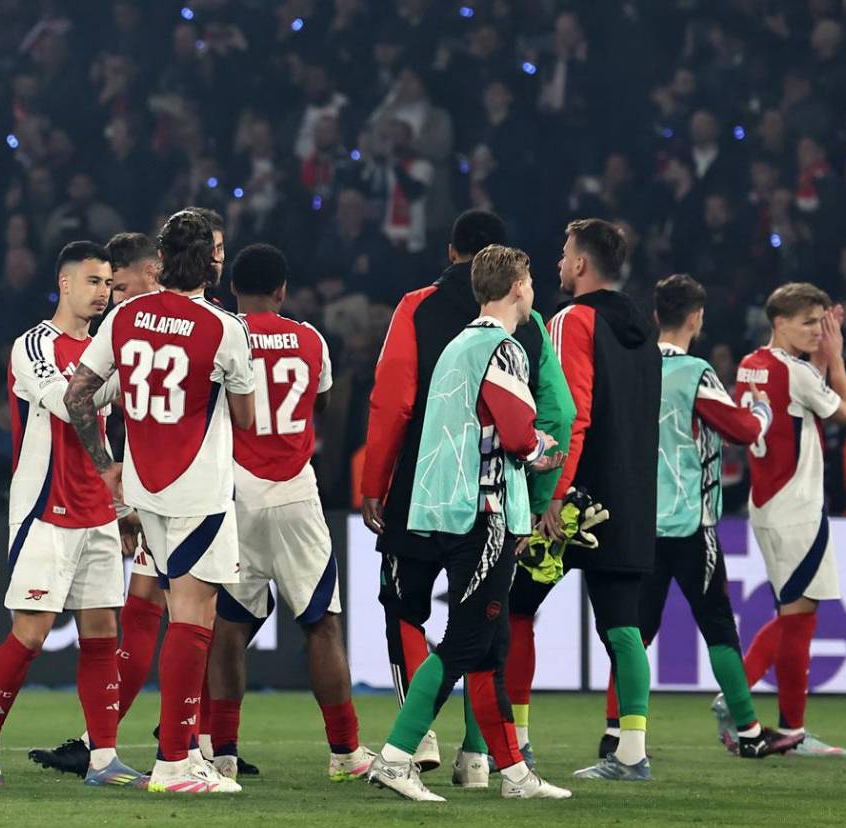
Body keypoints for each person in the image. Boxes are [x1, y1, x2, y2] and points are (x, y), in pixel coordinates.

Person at [360, 209, 574, 779]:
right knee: (476, 631)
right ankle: (464, 756)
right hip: (489, 500)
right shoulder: (520, 334)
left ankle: (438, 747)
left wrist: (375, 483)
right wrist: (541, 493)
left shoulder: (420, 310)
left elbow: (393, 402)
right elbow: (555, 414)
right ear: (514, 281)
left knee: (412, 611)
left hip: (421, 489)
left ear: (452, 252)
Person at [65, 210, 255, 794]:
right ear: (212, 263)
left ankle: (185, 754)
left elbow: (78, 395)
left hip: (145, 490)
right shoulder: (224, 328)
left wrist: (107, 466)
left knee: (178, 613)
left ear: (162, 260)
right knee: (194, 621)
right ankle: (175, 762)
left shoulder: (124, 316)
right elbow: (246, 419)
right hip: (198, 489)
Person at [599, 274, 801, 759]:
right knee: (718, 628)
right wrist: (762, 412)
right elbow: (742, 430)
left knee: (632, 634)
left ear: (655, 316)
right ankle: (748, 732)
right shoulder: (696, 373)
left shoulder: (634, 366)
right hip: (692, 524)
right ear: (697, 318)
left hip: (640, 527)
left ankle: (615, 734)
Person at [0, 241, 144, 789]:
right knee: (31, 633)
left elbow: (108, 429)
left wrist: (121, 506)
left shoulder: (103, 350)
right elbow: (72, 404)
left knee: (101, 633)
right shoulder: (33, 345)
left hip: (97, 511)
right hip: (46, 510)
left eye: (109, 283)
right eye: (93, 281)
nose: (103, 293)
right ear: (64, 284)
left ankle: (103, 758)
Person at [207, 243, 374, 782]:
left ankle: (222, 751)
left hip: (236, 491)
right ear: (282, 290)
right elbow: (319, 403)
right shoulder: (310, 339)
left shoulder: (221, 335)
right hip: (297, 493)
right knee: (321, 625)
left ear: (233, 288)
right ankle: (345, 752)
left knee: (229, 627)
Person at [504, 219, 661, 782]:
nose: (558, 263)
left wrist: (552, 494)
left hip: (574, 502)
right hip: (630, 494)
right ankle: (632, 753)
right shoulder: (644, 328)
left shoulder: (573, 319)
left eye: (564, 253)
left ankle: (516, 744)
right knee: (623, 624)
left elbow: (572, 414)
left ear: (581, 264)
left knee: (516, 608)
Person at [734, 283, 846, 756]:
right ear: (779, 322)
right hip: (798, 508)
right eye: (808, 323)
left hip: (768, 504)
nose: (816, 332)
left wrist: (818, 359)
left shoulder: (752, 364)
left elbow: (800, 404)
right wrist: (836, 359)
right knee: (798, 618)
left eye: (820, 323)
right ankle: (738, 696)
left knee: (796, 614)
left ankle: (791, 729)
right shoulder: (796, 372)